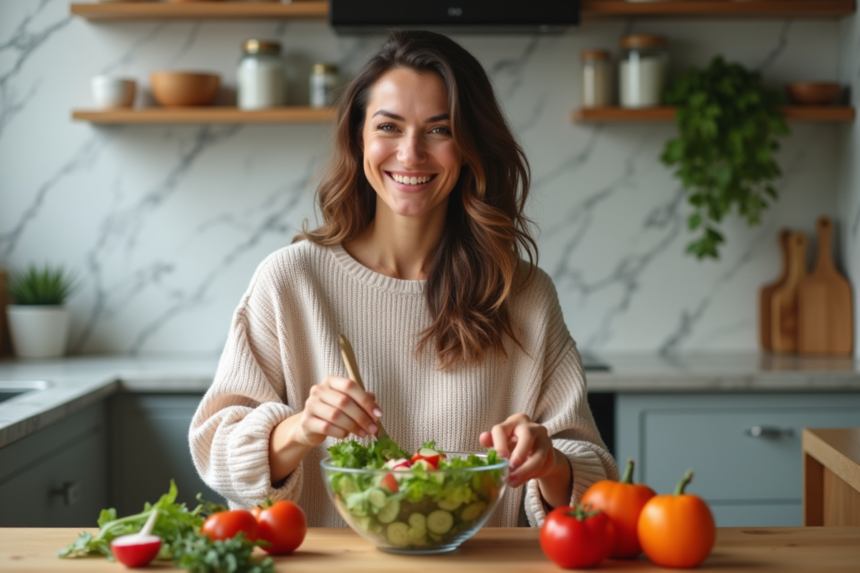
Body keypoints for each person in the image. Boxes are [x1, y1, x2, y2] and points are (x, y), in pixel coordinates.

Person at [189, 30, 618, 528]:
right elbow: (216, 452)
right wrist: (300, 429)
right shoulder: (291, 280)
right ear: (359, 139)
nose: (411, 153)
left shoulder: (522, 294)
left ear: (469, 146)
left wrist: (549, 461)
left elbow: (595, 481)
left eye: (439, 130)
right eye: (389, 127)